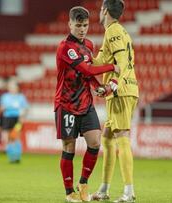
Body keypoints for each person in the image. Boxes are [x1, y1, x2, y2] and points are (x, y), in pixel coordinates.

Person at [55, 6, 120, 202]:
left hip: (86, 103)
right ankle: (69, 193)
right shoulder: (65, 47)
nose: (82, 29)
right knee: (69, 149)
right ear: (69, 24)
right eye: (78, 25)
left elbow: (88, 75)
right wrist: (112, 67)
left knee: (95, 142)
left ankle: (83, 183)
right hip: (66, 104)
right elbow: (87, 69)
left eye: (85, 25)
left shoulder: (89, 45)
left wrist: (98, 87)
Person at [92, 0, 139, 202]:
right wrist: (81, 55)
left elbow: (121, 63)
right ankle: (104, 189)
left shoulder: (114, 31)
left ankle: (129, 191)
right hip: (121, 90)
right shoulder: (115, 31)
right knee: (108, 138)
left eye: (100, 9)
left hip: (121, 91)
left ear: (104, 10)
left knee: (122, 137)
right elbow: (100, 61)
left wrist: (113, 84)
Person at [0, 78, 29, 163]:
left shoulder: (21, 97)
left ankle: (17, 156)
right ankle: (11, 157)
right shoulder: (4, 97)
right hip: (7, 119)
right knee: (7, 138)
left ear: (17, 88)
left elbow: (26, 108)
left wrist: (22, 116)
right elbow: (1, 109)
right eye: (11, 87)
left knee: (16, 137)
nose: (12, 88)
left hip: (17, 119)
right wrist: (1, 109)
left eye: (14, 87)